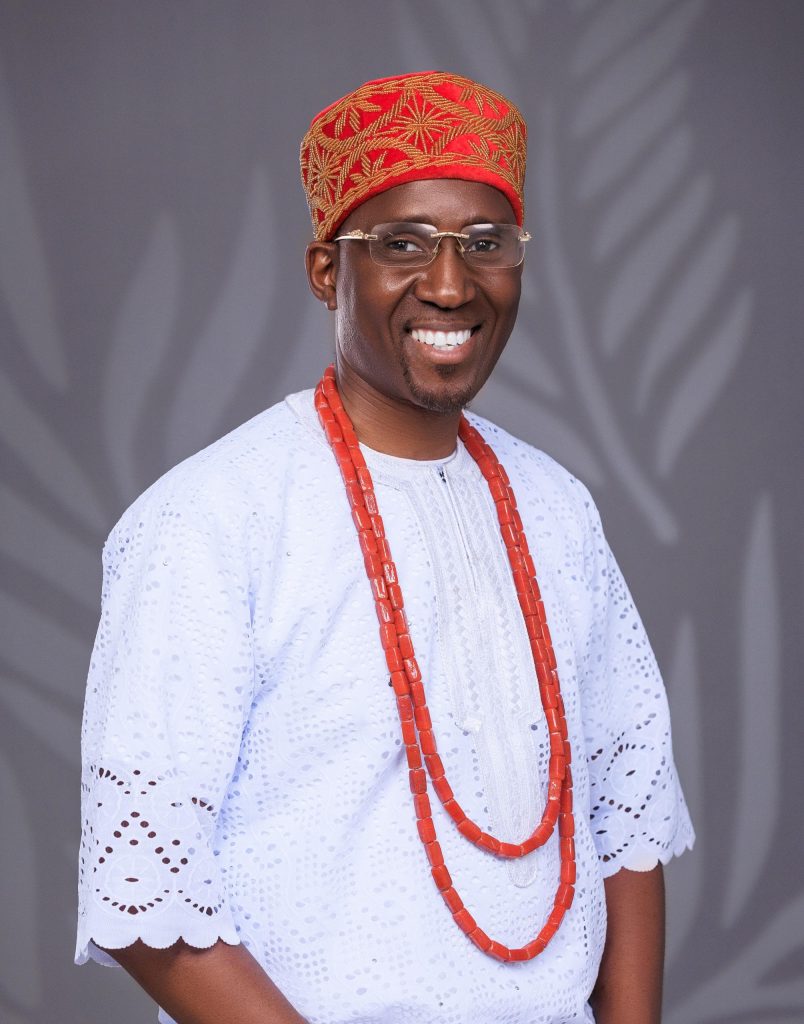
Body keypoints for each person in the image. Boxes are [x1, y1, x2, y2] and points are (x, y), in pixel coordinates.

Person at [76, 71, 694, 1024]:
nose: (450, 284)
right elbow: (141, 888)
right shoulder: (211, 519)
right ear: (328, 270)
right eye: (402, 244)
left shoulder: (558, 509)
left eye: (485, 244)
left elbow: (626, 823)